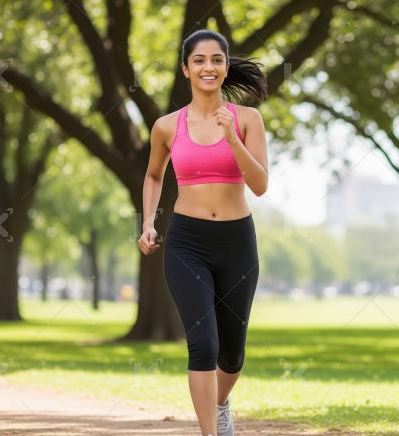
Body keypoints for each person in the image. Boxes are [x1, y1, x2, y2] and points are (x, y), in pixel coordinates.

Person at [137, 28, 269, 436]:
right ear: (186, 69)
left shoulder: (247, 120)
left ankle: (221, 403)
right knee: (203, 345)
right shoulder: (166, 126)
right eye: (199, 60)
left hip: (237, 242)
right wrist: (148, 222)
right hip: (187, 242)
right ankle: (209, 432)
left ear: (226, 68)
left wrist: (232, 138)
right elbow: (154, 175)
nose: (208, 67)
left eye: (216, 59)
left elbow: (260, 185)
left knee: (232, 355)